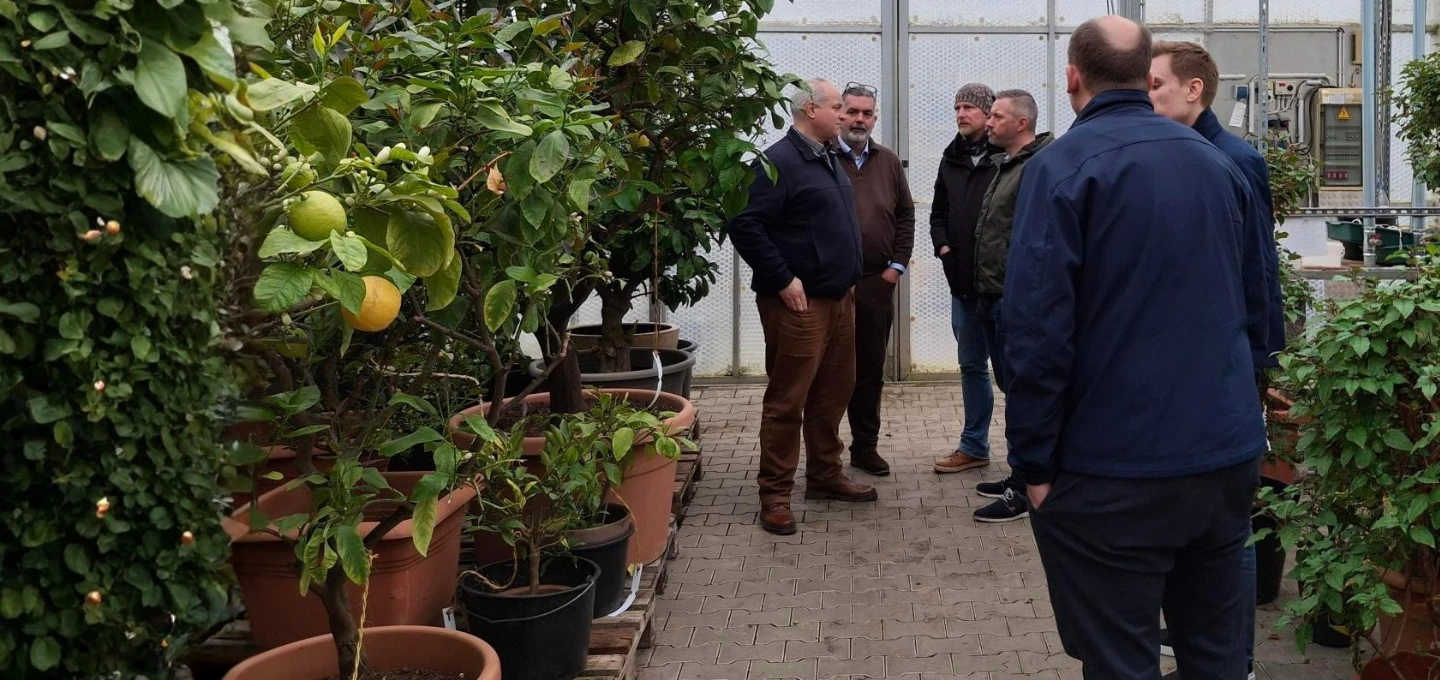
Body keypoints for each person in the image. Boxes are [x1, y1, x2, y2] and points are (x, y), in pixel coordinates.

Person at [1002, 15, 1272, 680]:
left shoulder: (1061, 167)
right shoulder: (1219, 163)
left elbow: (1036, 332)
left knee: (1121, 658)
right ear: (1144, 76)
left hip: (1114, 472)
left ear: (1072, 77)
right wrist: (1246, 420)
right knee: (1216, 657)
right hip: (1222, 462)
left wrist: (1033, 465)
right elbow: (1261, 310)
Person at [1149, 39, 1285, 680]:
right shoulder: (1173, 153)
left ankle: (1238, 660)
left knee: (1231, 520)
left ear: (1194, 89)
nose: (1147, 96)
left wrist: (1259, 364)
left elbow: (1259, 268)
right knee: (1191, 511)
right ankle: (1196, 642)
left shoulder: (1234, 159)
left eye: (1155, 85)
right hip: (1187, 365)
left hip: (1226, 364)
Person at [727, 77, 879, 537]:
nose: (844, 115)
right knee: (787, 399)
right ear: (811, 110)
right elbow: (745, 224)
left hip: (839, 299)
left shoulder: (828, 156)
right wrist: (782, 278)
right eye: (837, 108)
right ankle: (775, 494)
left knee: (833, 393)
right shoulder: (778, 162)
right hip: (799, 306)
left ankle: (825, 475)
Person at [965, 89, 1054, 523]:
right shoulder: (1008, 163)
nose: (988, 123)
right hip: (992, 294)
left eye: (997, 117)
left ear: (1021, 123)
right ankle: (1020, 472)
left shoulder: (1039, 167)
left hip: (1014, 299)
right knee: (1011, 389)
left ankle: (1025, 487)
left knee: (1024, 395)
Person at [834, 82, 916, 478]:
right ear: (839, 114)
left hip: (875, 283)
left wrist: (895, 268)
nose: (859, 120)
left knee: (869, 370)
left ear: (875, 118)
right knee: (829, 372)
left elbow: (905, 215)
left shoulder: (888, 161)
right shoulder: (823, 157)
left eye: (866, 113)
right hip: (830, 287)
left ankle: (864, 447)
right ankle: (824, 454)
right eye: (852, 112)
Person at [928, 83, 1006, 477]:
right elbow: (937, 213)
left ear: (988, 113)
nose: (960, 114)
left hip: (1001, 289)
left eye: (968, 108)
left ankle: (1028, 456)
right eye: (957, 107)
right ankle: (974, 446)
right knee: (972, 367)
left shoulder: (1006, 157)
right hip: (962, 286)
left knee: (1012, 373)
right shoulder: (951, 158)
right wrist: (943, 247)